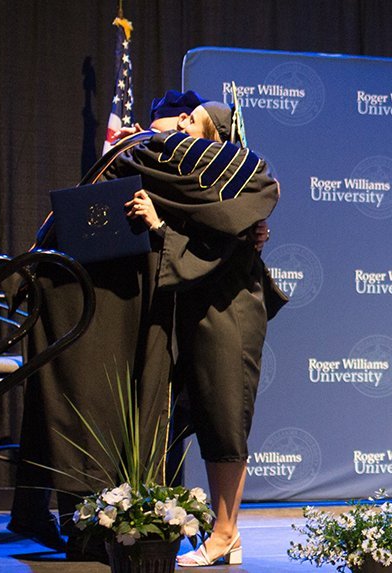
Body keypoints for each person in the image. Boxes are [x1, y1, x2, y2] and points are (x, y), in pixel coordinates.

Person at [123, 101, 283, 567]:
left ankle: (225, 533)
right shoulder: (192, 183)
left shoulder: (233, 186)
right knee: (210, 419)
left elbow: (214, 247)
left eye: (191, 120)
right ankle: (225, 535)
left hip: (228, 311)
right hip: (201, 310)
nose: (180, 123)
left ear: (213, 134)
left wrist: (157, 225)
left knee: (225, 419)